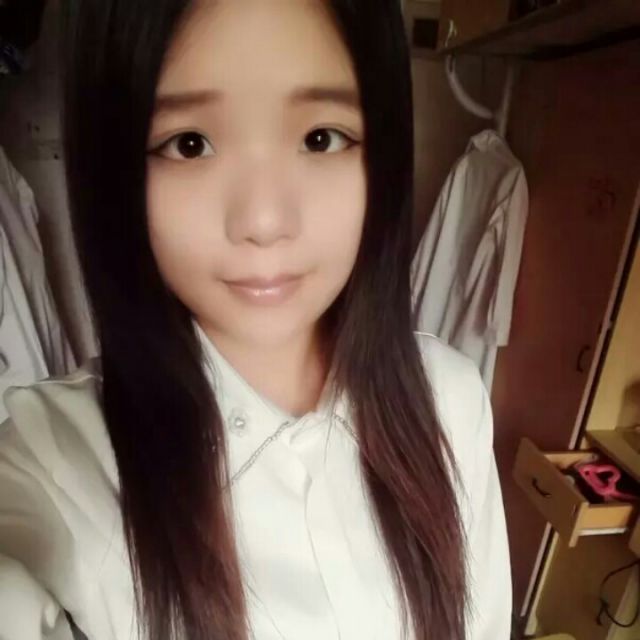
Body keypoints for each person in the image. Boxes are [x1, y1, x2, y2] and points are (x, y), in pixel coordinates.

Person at [0, 1, 511, 639]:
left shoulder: (451, 402)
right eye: (190, 144)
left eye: (320, 137)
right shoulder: (56, 466)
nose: (264, 222)